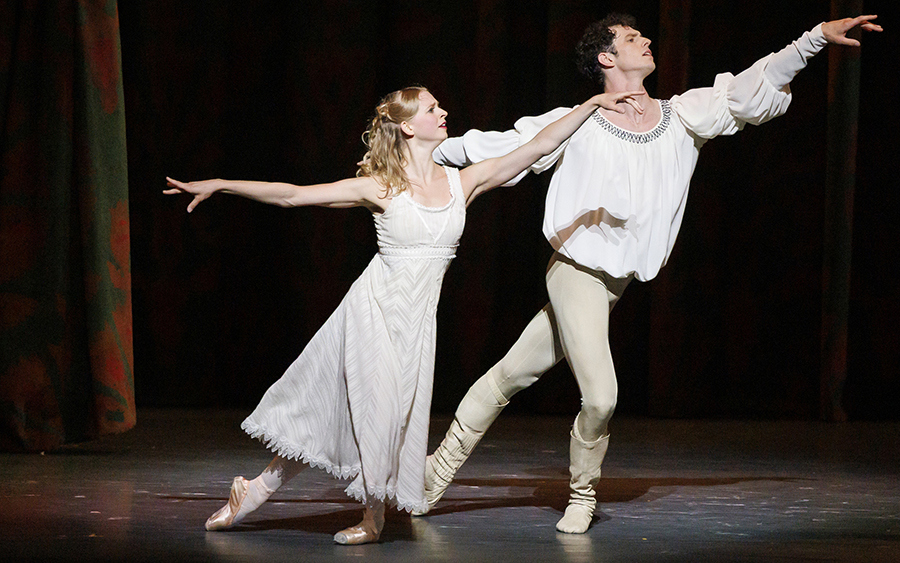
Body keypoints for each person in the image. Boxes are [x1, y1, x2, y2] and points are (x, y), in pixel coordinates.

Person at [424, 14, 883, 533]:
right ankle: (581, 493)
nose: (645, 40)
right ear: (606, 58)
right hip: (575, 270)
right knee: (601, 395)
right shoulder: (579, 119)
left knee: (512, 374)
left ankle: (434, 473)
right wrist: (423, 152)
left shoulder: (682, 115)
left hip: (613, 283)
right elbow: (500, 146)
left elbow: (754, 84)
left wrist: (814, 39)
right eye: (629, 39)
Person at [164, 86, 641, 544]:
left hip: (416, 325)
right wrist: (223, 184)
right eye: (432, 108)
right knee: (358, 412)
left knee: (381, 416)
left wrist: (592, 104)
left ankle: (260, 489)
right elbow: (292, 194)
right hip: (372, 312)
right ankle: (366, 518)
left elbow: (538, 145)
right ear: (409, 127)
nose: (443, 113)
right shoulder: (380, 187)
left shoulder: (463, 181)